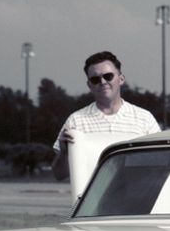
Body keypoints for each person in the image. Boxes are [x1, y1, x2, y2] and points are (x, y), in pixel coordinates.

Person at [51, 51, 161, 181]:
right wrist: (64, 153)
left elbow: (159, 164)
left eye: (108, 76)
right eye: (95, 79)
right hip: (92, 200)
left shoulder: (144, 119)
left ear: (121, 79)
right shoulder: (76, 121)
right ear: (89, 85)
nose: (102, 82)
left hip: (137, 199)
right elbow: (59, 175)